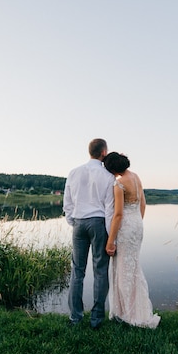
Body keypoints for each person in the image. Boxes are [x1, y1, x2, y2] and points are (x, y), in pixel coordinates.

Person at [103, 152, 160, 329]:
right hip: (137, 225)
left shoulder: (119, 184)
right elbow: (143, 204)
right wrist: (137, 222)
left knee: (123, 269)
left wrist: (110, 241)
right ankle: (135, 310)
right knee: (133, 266)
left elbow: (118, 215)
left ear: (112, 169)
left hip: (125, 228)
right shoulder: (135, 177)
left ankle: (127, 313)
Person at [63, 138, 115, 329]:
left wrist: (73, 220)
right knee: (100, 271)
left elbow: (67, 202)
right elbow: (110, 210)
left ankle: (75, 318)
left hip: (79, 223)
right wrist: (111, 236)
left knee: (77, 271)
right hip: (98, 222)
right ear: (103, 152)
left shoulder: (74, 172)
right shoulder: (108, 177)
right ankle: (96, 319)